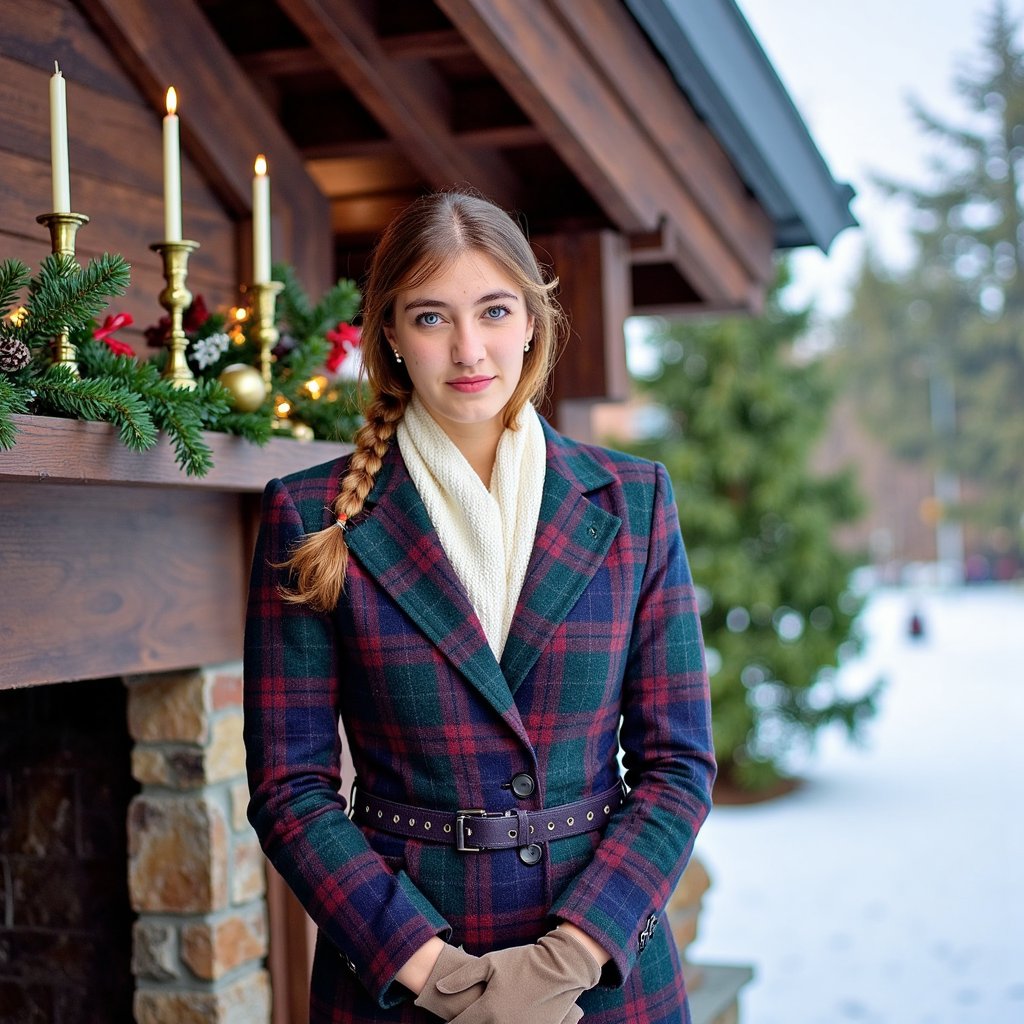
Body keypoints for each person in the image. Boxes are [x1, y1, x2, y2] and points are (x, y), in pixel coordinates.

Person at [243, 191, 716, 1024]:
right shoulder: (311, 514)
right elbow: (289, 790)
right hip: (400, 975)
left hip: (605, 974)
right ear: (391, 334)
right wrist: (441, 979)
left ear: (531, 320)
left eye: (494, 311)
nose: (469, 349)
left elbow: (677, 767)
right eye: (431, 317)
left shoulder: (634, 501)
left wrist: (565, 963)